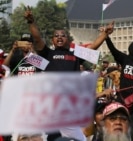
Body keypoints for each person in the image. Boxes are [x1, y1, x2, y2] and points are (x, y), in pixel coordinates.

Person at [24, 6, 114, 141]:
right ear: (52, 40)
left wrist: (105, 34)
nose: (59, 37)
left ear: (68, 39)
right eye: (56, 36)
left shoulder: (76, 54)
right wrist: (31, 22)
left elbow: (93, 46)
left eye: (63, 35)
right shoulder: (48, 53)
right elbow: (37, 39)